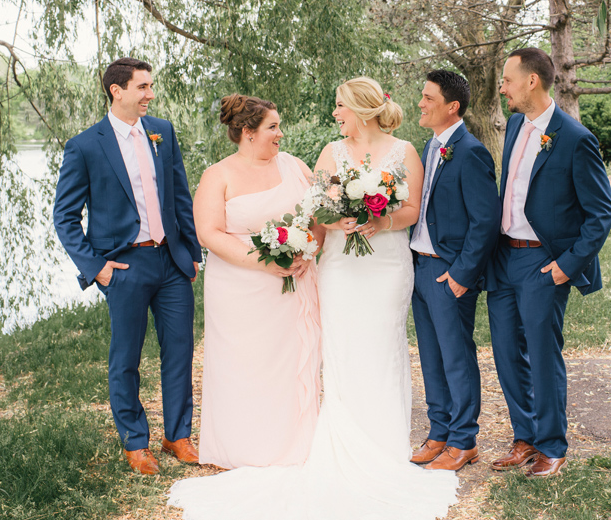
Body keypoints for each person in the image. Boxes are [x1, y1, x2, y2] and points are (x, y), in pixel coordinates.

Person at [168, 78, 459, 520]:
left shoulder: (405, 151)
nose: (334, 113)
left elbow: (412, 210)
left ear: (361, 108)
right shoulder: (329, 153)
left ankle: (383, 444)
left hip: (385, 263)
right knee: (338, 351)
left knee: (383, 348)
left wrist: (379, 221)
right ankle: (336, 441)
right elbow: (317, 208)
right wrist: (339, 219)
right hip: (341, 264)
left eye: (339, 105)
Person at [53, 57, 202, 475]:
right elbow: (64, 216)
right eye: (142, 87)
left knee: (180, 351)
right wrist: (95, 267)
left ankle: (177, 435)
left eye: (151, 86)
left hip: (171, 261)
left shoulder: (162, 132)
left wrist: (190, 252)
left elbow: (179, 195)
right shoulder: (84, 145)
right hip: (124, 265)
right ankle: (136, 443)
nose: (150, 94)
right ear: (116, 91)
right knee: (126, 357)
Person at [487, 47, 611, 477]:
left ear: (532, 81)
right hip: (503, 257)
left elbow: (601, 214)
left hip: (544, 262)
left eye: (507, 79)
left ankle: (552, 445)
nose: (502, 87)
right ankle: (524, 438)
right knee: (506, 352)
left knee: (542, 354)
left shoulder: (576, 139)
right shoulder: (513, 127)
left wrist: (567, 265)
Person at [192, 94, 320, 469]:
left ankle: (295, 442)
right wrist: (263, 264)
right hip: (239, 290)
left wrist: (307, 251)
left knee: (289, 361)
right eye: (272, 127)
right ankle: (244, 448)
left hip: (293, 283)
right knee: (243, 365)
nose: (281, 133)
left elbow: (317, 218)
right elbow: (209, 233)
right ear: (248, 132)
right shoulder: (218, 175)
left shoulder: (295, 166)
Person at [408, 70, 501, 472]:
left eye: (428, 98)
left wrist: (462, 274)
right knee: (430, 356)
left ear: (452, 107)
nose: (421, 103)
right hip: (419, 269)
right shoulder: (430, 147)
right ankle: (439, 432)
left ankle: (464, 441)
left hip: (449, 274)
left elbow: (485, 221)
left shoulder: (471, 151)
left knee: (456, 358)